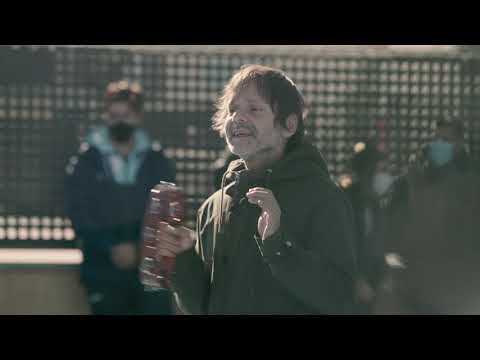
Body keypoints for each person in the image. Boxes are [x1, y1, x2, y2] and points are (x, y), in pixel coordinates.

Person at [155, 65, 357, 315]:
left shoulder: (323, 198)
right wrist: (183, 260)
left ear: (289, 125)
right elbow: (203, 308)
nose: (238, 117)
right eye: (233, 109)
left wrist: (277, 246)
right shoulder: (212, 207)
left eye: (254, 109)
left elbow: (341, 298)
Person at [65, 80, 176, 315]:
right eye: (114, 115)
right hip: (102, 269)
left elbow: (167, 211)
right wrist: (111, 246)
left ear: (138, 117)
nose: (120, 122)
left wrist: (138, 248)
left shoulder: (156, 161)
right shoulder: (87, 162)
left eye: (126, 115)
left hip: (149, 271)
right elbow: (79, 211)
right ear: (106, 116)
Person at [374, 118, 480, 314]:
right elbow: (392, 231)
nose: (440, 145)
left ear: (460, 143)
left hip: (460, 290)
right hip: (418, 289)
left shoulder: (472, 184)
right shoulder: (412, 181)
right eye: (437, 139)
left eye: (446, 140)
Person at [340, 141, 394, 314]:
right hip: (352, 286)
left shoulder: (377, 201)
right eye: (379, 168)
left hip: (375, 283)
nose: (383, 173)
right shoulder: (345, 199)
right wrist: (356, 279)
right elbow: (340, 243)